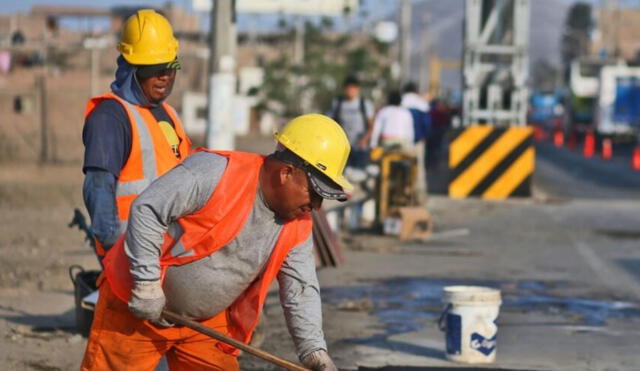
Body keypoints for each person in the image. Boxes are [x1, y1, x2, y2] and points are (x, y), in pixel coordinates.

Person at [80, 114, 351, 371]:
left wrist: (313, 349)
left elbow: (300, 287)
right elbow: (148, 209)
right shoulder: (215, 173)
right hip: (135, 305)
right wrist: (147, 284)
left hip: (204, 326)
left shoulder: (298, 223)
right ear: (287, 173)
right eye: (314, 193)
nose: (316, 206)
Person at [82, 9, 191, 261]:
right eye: (153, 68)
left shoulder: (168, 114)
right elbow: (98, 187)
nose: (164, 75)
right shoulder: (110, 117)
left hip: (170, 251)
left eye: (170, 66)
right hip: (131, 253)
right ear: (132, 68)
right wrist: (113, 250)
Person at [329, 75, 375, 169]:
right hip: (342, 149)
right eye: (348, 88)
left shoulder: (364, 104)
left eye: (353, 88)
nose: (350, 90)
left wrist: (364, 140)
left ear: (358, 89)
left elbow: (371, 127)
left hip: (359, 149)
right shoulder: (337, 104)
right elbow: (330, 123)